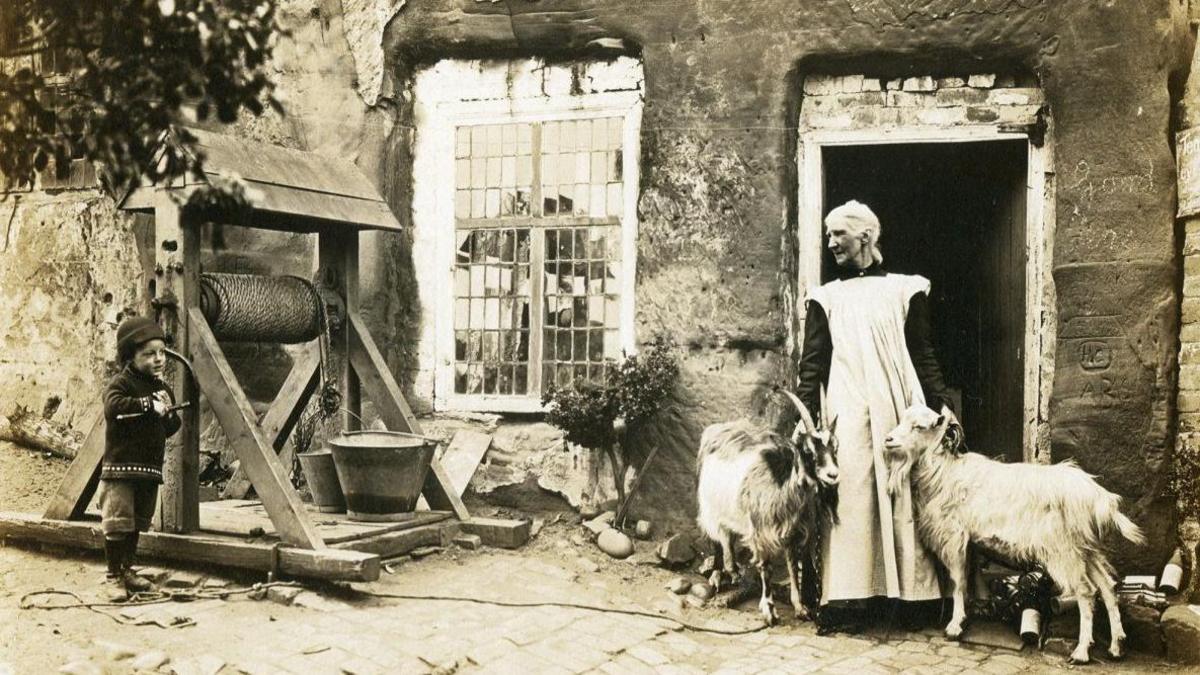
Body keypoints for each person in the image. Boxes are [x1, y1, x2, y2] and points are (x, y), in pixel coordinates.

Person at [795, 200, 955, 630]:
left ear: (865, 236)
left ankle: (912, 600)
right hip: (847, 408)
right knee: (853, 494)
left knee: (900, 491)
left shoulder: (905, 289)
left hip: (899, 405)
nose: (830, 243)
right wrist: (807, 419)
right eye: (827, 235)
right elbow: (812, 365)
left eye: (838, 235)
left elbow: (923, 353)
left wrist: (941, 404)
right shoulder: (825, 298)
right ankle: (848, 599)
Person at [99, 316, 181, 601]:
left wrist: (169, 415)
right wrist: (148, 405)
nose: (158, 359)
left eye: (161, 353)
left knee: (136, 522)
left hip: (148, 469)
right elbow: (113, 407)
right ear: (130, 356)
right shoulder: (121, 383)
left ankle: (128, 571)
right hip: (121, 469)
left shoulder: (162, 388)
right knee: (118, 523)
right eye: (149, 354)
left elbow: (171, 427)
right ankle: (113, 576)